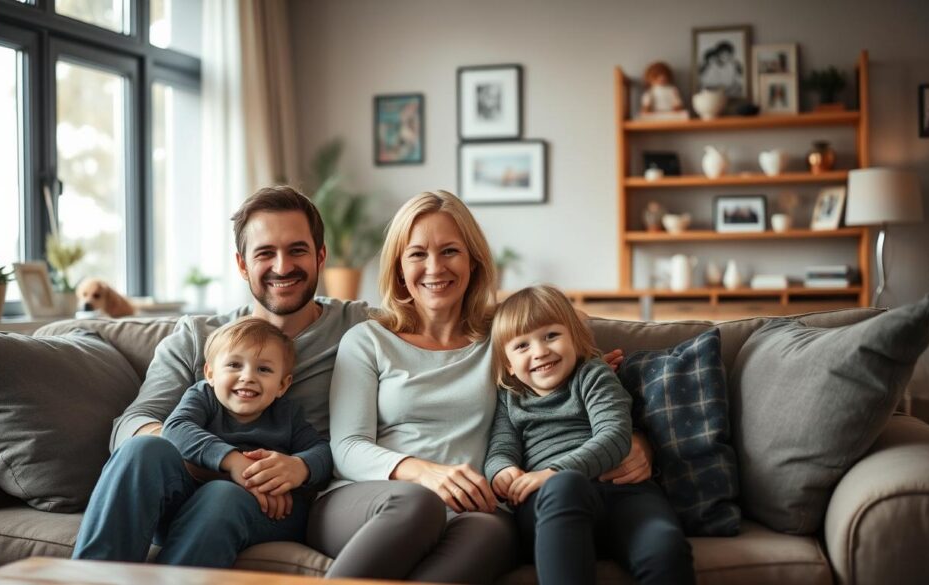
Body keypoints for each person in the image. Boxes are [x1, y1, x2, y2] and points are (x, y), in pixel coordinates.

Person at [323, 192, 653, 583]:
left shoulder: (504, 339)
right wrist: (425, 474)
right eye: (416, 254)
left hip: (476, 510)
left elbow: (575, 365)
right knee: (418, 505)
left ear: (473, 260)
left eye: (450, 251)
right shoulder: (367, 340)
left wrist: (637, 439)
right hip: (372, 500)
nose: (434, 267)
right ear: (397, 266)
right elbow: (346, 448)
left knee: (494, 533)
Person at [72, 186, 372, 568]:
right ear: (243, 264)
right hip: (185, 488)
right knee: (143, 448)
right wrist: (227, 462)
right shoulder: (198, 337)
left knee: (224, 498)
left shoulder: (361, 327)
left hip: (273, 504)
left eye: (297, 250)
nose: (282, 267)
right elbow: (130, 427)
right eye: (265, 253)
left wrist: (290, 470)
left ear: (321, 257)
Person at [485, 285, 695, 585]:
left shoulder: (593, 374)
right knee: (566, 485)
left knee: (665, 546)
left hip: (623, 496)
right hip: (551, 503)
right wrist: (502, 471)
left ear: (574, 337)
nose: (540, 351)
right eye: (522, 346)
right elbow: (500, 448)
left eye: (551, 336)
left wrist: (553, 471)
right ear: (508, 364)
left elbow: (614, 435)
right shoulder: (510, 397)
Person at [84, 316, 332, 565]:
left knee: (221, 493)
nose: (248, 377)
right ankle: (95, 574)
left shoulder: (286, 414)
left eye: (264, 369)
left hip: (265, 511)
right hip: (185, 506)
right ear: (210, 374)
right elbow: (176, 429)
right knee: (142, 447)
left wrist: (299, 467)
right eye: (234, 365)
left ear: (282, 385)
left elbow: (322, 451)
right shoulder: (203, 396)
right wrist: (233, 462)